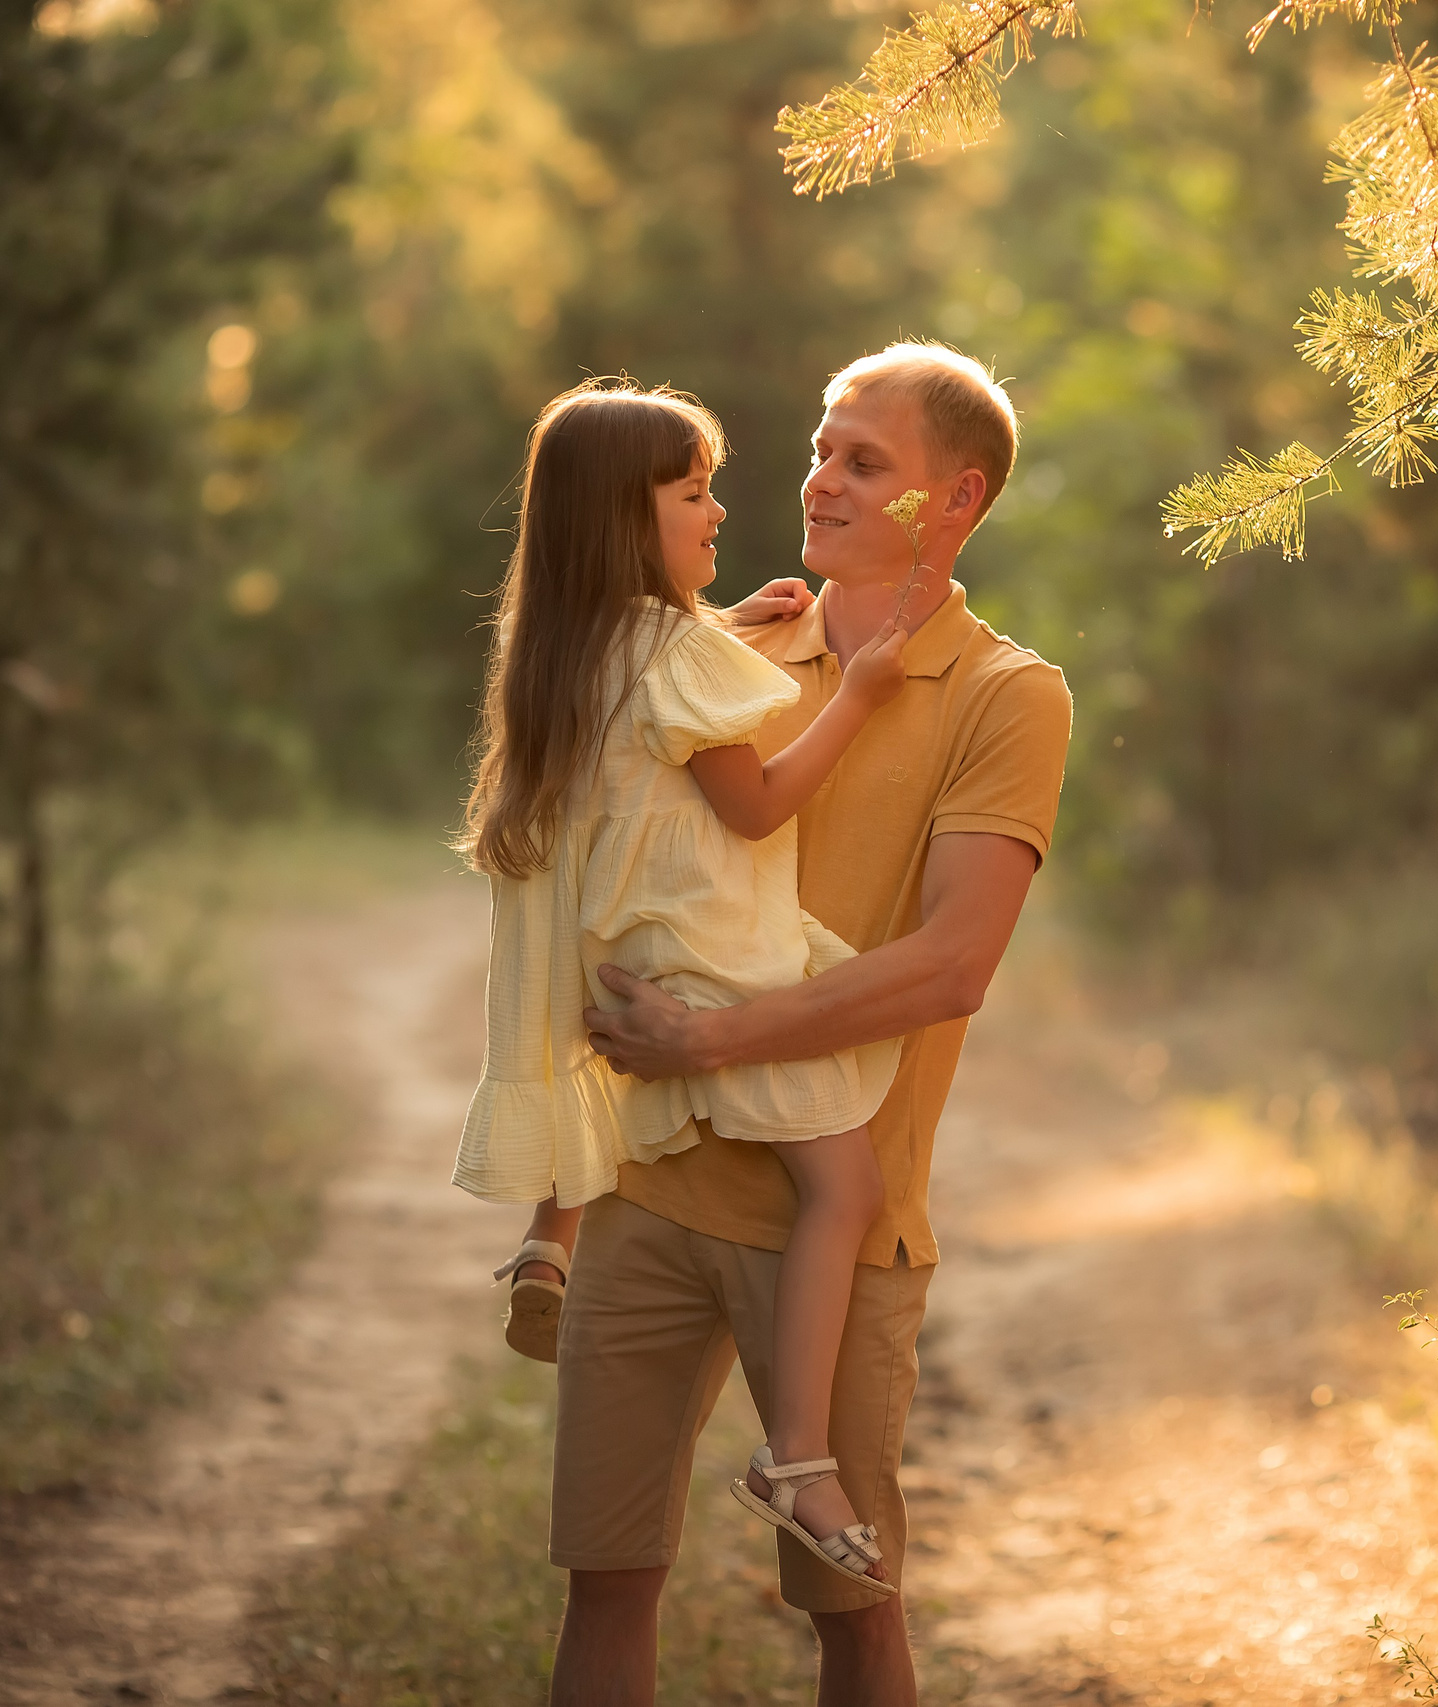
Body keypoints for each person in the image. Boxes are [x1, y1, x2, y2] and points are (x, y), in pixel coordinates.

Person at [550, 342, 1073, 1707]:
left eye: (864, 461)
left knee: (855, 1612)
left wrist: (714, 1039)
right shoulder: (718, 646)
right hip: (651, 1183)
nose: (820, 479)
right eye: (821, 449)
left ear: (954, 499)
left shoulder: (1008, 695)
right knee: (606, 1581)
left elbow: (951, 964)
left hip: (837, 1216)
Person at [452, 377, 923, 1595]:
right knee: (845, 1187)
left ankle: (547, 1242)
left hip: (628, 953)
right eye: (694, 494)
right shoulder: (673, 651)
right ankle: (799, 1458)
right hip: (712, 970)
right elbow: (752, 804)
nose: (719, 513)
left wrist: (723, 626)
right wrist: (856, 695)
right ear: (629, 519)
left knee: (775, 1165)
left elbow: (651, 725)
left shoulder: (569, 646)